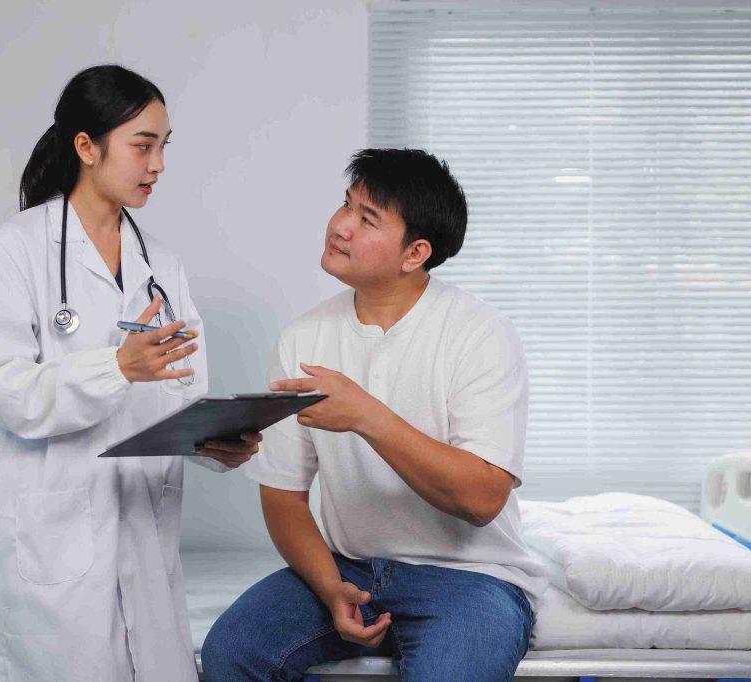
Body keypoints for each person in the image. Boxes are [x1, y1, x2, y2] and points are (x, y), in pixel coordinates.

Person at [201, 149, 548, 681]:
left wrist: (368, 416)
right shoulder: (305, 337)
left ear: (415, 253)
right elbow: (282, 494)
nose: (339, 226)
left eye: (367, 219)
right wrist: (328, 585)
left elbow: (481, 499)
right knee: (233, 651)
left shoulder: (480, 334)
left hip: (473, 576)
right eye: (345, 205)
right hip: (350, 566)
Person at [0, 64, 261, 682]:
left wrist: (217, 441)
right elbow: (7, 390)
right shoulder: (17, 250)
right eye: (143, 145)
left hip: (143, 532)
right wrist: (116, 367)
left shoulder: (162, 264)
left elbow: (184, 392)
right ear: (86, 147)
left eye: (164, 147)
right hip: (54, 537)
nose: (158, 166)